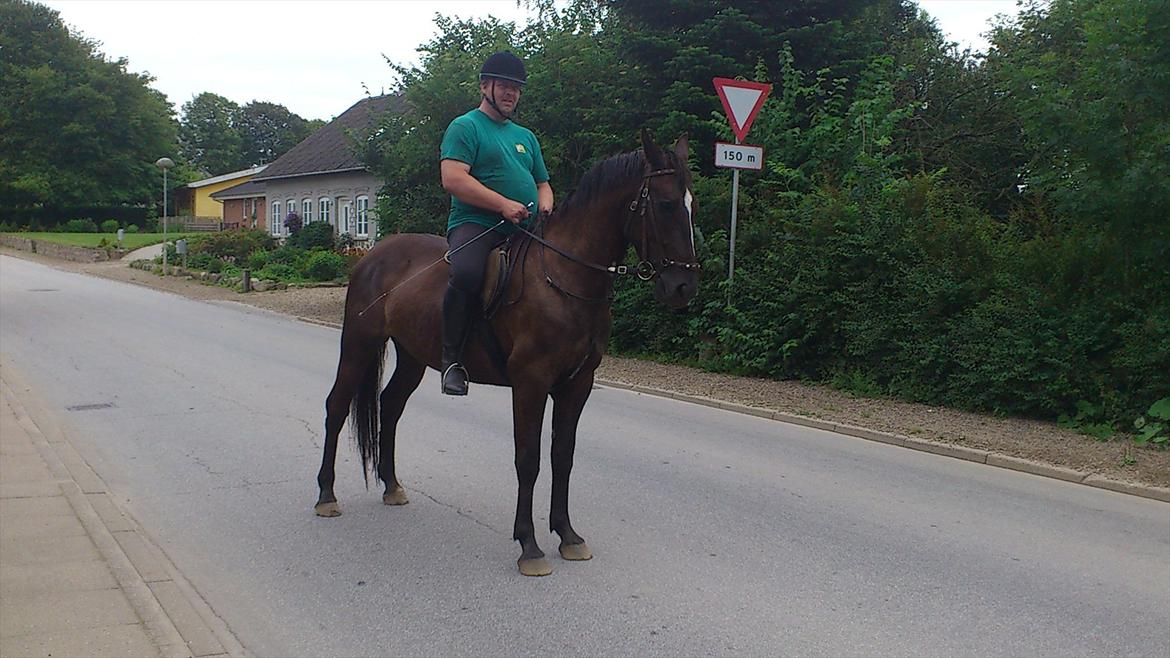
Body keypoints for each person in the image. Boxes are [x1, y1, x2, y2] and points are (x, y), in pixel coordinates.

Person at [438, 51, 554, 396]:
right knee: (467, 273)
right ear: (484, 86)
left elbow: (543, 184)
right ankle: (452, 361)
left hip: (525, 228)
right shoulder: (465, 127)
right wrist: (502, 205)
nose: (511, 94)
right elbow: (453, 178)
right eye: (504, 86)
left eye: (516, 88)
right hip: (477, 223)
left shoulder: (525, 137)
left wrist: (545, 206)